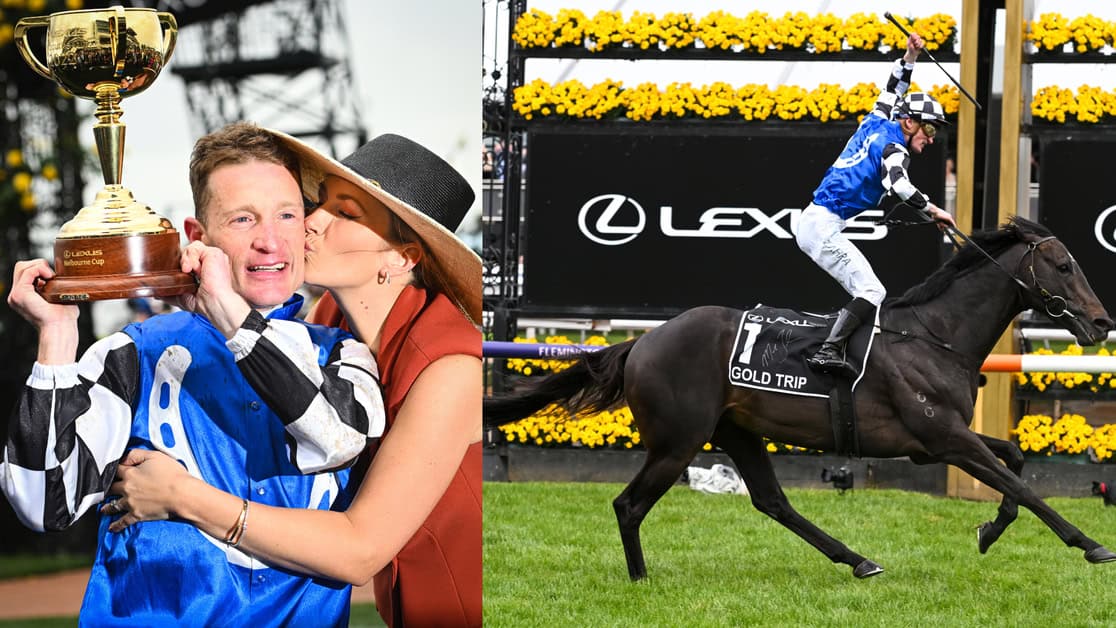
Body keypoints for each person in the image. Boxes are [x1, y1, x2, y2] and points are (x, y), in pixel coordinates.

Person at [0, 122, 386, 626]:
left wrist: (228, 313)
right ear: (198, 238)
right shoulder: (132, 354)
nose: (270, 241)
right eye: (243, 219)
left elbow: (335, 440)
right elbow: (44, 505)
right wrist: (56, 336)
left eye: (287, 215)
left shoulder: (344, 356)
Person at [104, 131, 483, 627]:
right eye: (318, 202)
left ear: (401, 257)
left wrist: (182, 496)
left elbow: (360, 551)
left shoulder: (451, 369)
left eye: (345, 213)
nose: (312, 221)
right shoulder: (328, 324)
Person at [797, 32, 957, 377]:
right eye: (929, 130)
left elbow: (893, 87)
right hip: (821, 227)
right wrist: (934, 211)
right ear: (909, 122)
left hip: (817, 222)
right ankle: (827, 352)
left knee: (868, 291)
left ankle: (838, 347)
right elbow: (899, 186)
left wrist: (911, 56)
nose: (931, 139)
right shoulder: (894, 149)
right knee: (872, 290)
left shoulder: (877, 118)